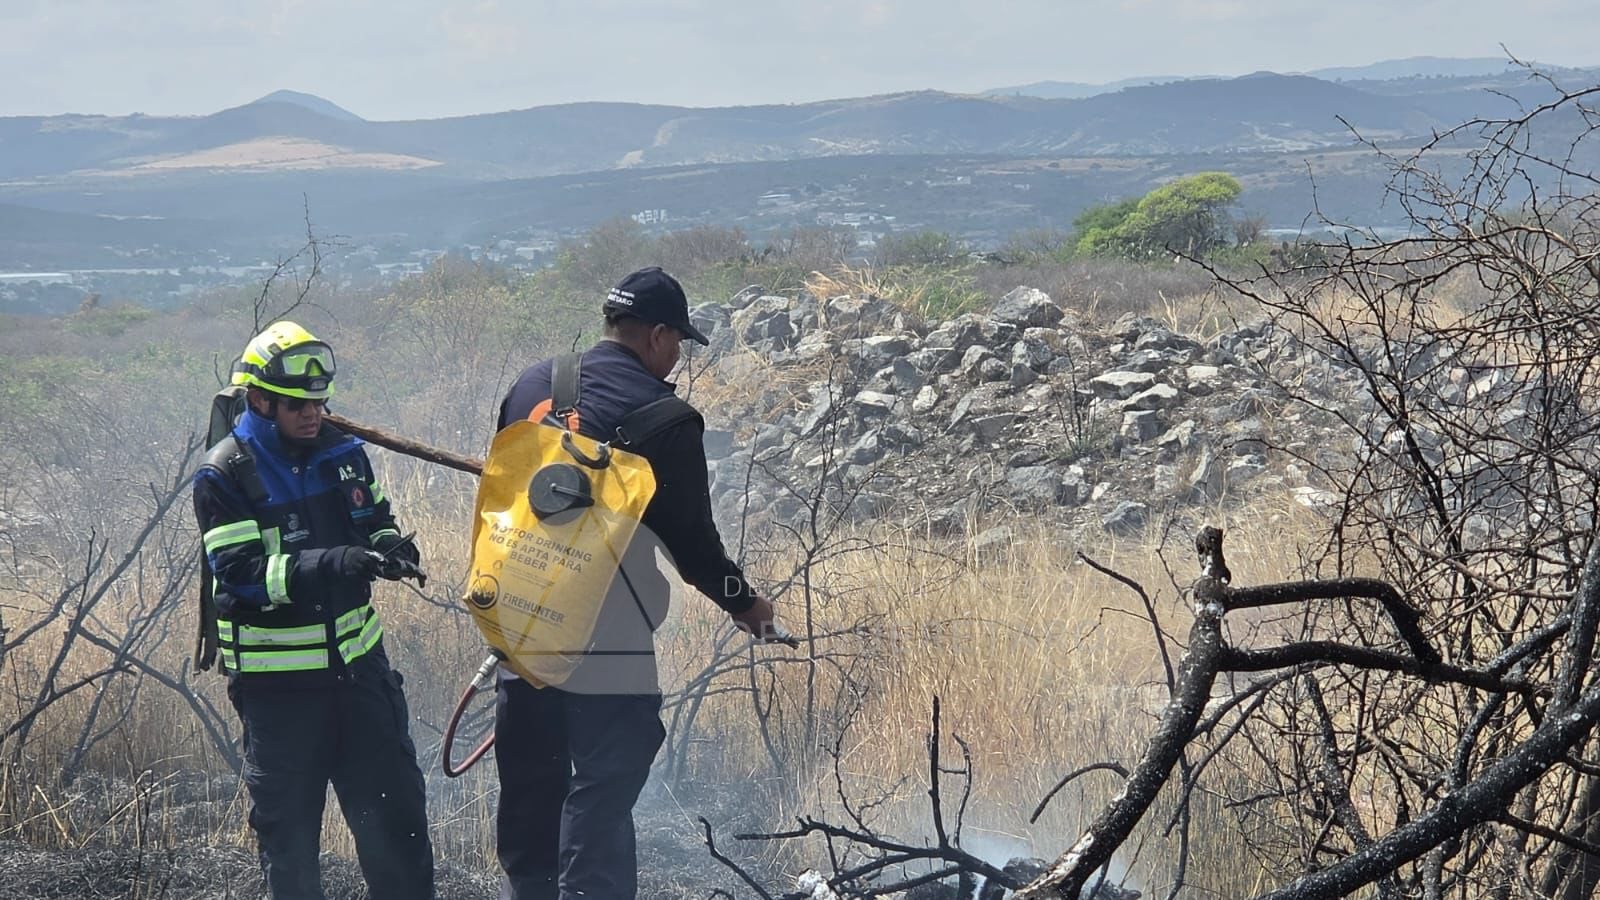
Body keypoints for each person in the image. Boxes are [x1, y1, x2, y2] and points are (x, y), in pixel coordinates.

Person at [493, 266, 784, 900]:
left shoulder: (533, 386)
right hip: (608, 642)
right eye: (677, 341)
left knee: (532, 790)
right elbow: (692, 545)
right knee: (602, 789)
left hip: (520, 625)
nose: (676, 355)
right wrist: (746, 605)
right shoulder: (666, 418)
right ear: (655, 335)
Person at [192, 321, 434, 900]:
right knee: (292, 850)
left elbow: (376, 520)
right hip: (281, 699)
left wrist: (391, 547)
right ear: (260, 399)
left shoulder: (344, 456)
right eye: (300, 405)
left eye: (321, 403)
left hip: (362, 682)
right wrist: (335, 563)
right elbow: (244, 575)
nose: (315, 415)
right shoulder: (224, 475)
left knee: (398, 834)